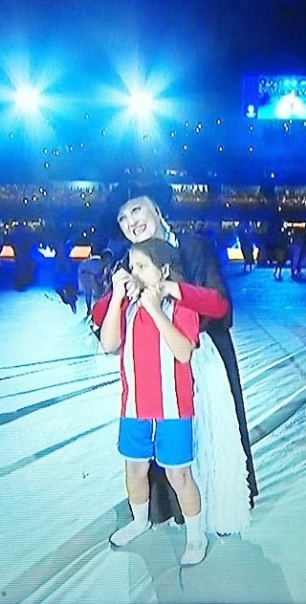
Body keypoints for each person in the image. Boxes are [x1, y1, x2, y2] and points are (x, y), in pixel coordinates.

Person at [91, 182, 258, 531]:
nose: (131, 221)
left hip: (201, 358)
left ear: (157, 210)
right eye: (123, 217)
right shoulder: (129, 263)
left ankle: (213, 512)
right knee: (163, 445)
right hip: (155, 369)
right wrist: (119, 292)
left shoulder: (192, 247)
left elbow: (220, 304)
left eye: (137, 209)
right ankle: (170, 509)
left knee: (206, 436)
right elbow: (102, 319)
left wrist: (172, 291)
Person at [98, 238, 228, 565]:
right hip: (134, 407)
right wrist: (116, 299)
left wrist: (155, 310)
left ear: (164, 270)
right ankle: (139, 520)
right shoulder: (125, 307)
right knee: (134, 467)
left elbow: (183, 352)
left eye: (142, 266)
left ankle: (195, 536)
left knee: (178, 474)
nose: (134, 273)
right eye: (131, 266)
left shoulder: (178, 305)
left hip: (173, 408)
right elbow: (108, 344)